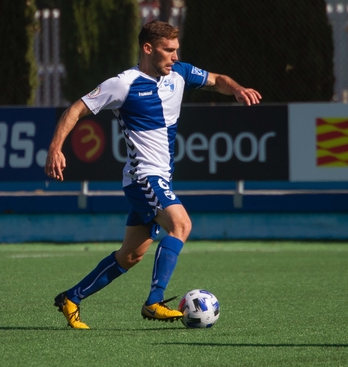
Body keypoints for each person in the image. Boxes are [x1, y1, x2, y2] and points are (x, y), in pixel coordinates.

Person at [45, 20, 261, 329]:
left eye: (177, 50)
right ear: (148, 48)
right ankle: (154, 302)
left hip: (160, 177)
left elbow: (217, 80)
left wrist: (237, 90)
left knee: (131, 255)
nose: (175, 57)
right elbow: (76, 109)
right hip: (143, 177)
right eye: (168, 50)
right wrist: (55, 148)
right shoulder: (124, 83)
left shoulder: (180, 73)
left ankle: (71, 298)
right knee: (182, 224)